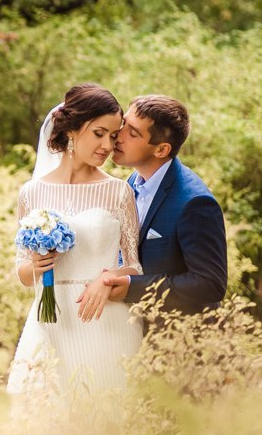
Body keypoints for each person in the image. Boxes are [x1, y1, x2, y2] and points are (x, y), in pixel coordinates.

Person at [7, 83, 143, 398]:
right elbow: (23, 274)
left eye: (113, 136)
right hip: (50, 323)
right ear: (71, 129)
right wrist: (38, 265)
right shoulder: (32, 192)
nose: (107, 145)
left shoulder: (118, 192)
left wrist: (108, 278)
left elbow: (134, 265)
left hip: (104, 321)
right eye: (99, 133)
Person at [96, 95, 228, 315]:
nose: (118, 136)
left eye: (133, 133)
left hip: (178, 336)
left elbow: (210, 284)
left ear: (161, 150)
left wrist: (133, 287)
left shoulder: (195, 203)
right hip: (129, 328)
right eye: (124, 124)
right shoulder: (131, 183)